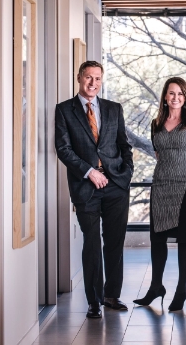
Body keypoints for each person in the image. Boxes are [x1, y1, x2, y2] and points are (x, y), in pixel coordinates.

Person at [55, 60, 133, 319]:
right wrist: (90, 172)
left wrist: (126, 175)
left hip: (116, 186)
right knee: (91, 243)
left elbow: (124, 145)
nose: (93, 83)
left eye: (98, 78)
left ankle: (111, 295)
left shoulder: (113, 109)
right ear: (79, 78)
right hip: (85, 187)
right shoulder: (64, 110)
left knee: (114, 242)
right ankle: (93, 301)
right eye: (89, 77)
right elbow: (63, 149)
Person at [133, 77, 186, 311]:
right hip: (161, 186)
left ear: (185, 98)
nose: (176, 98)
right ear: (165, 97)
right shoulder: (156, 124)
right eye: (171, 93)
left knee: (185, 240)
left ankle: (181, 289)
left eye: (180, 94)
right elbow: (159, 155)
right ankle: (156, 287)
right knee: (158, 238)